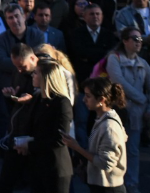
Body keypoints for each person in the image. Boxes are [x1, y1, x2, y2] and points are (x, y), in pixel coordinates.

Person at [62, 77, 128, 193]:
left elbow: (106, 163)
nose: (84, 100)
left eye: (88, 96)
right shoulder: (102, 120)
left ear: (101, 99)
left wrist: (77, 147)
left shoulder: (109, 126)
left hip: (108, 188)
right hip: (100, 185)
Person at [105, 25, 150, 192]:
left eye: (140, 39)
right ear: (125, 41)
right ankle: (115, 185)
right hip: (119, 112)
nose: (139, 42)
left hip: (137, 114)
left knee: (133, 150)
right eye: (135, 39)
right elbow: (119, 82)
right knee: (114, 149)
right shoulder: (114, 58)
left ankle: (132, 184)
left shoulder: (143, 63)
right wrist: (142, 99)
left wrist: (148, 107)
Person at [18, 58, 72, 193]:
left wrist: (29, 145)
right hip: (37, 165)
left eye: (36, 73)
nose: (32, 75)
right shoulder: (38, 98)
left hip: (55, 168)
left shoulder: (62, 103)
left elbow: (60, 139)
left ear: (46, 77)